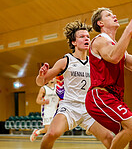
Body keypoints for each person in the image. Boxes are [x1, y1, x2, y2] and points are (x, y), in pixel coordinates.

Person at [36, 20, 113, 149]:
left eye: (88, 37)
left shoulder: (95, 62)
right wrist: (41, 76)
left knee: (109, 137)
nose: (86, 39)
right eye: (82, 37)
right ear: (74, 42)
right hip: (69, 107)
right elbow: (40, 82)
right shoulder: (65, 61)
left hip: (89, 108)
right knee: (51, 134)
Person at [85, 7, 132, 149]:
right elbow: (113, 57)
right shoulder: (99, 41)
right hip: (99, 95)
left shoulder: (117, 45)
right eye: (109, 15)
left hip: (113, 97)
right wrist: (129, 30)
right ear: (100, 23)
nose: (114, 15)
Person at [30, 78, 59, 142]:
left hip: (56, 111)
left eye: (53, 77)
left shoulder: (58, 88)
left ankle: (37, 132)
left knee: (54, 129)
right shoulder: (44, 88)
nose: (52, 79)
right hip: (47, 111)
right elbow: (38, 100)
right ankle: (45, 142)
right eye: (50, 77)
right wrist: (44, 102)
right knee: (48, 129)